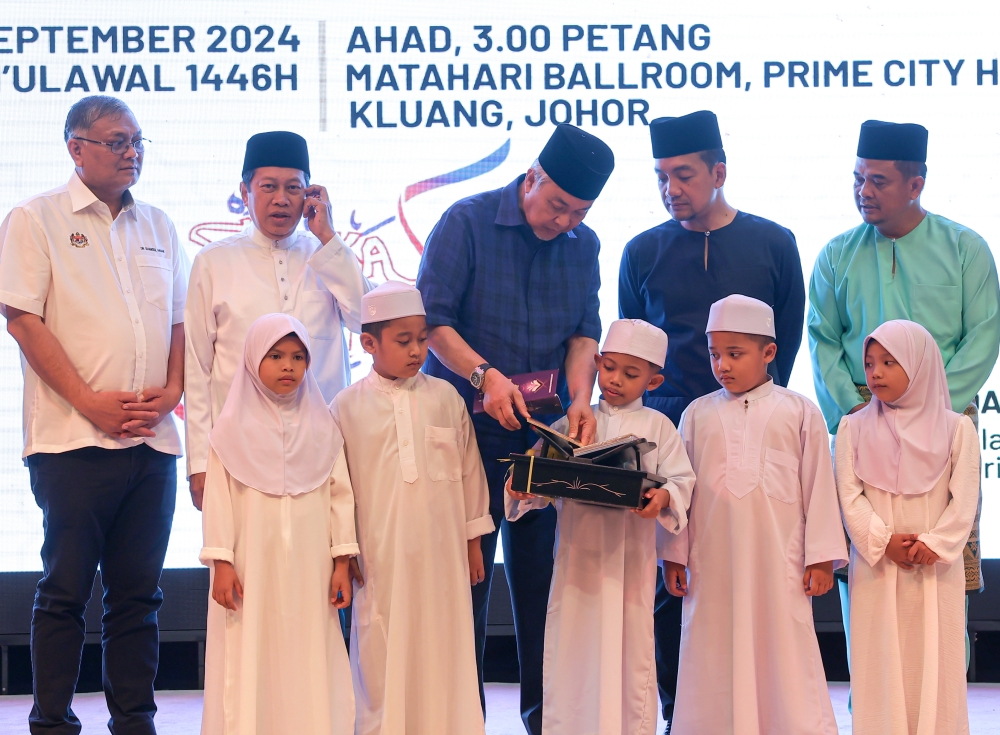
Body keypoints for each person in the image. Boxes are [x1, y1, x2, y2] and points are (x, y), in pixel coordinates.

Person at [415, 123, 614, 734]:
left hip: (542, 439)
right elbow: (433, 322)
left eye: (577, 213)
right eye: (556, 206)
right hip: (466, 434)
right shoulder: (466, 222)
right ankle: (460, 720)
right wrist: (485, 377)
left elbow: (584, 333)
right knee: (464, 585)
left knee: (544, 589)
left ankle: (545, 721)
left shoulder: (583, 245)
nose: (563, 222)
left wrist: (581, 396)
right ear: (531, 177)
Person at [0, 95, 188, 734]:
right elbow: (22, 318)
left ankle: (134, 720)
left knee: (140, 595)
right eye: (115, 141)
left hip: (153, 441)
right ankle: (51, 722)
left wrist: (172, 390)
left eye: (137, 141)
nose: (130, 151)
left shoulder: (159, 225)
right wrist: (88, 402)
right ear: (75, 148)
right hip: (72, 440)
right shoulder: (36, 219)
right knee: (66, 591)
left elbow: (179, 323)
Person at [618, 110, 805, 728]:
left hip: (750, 431)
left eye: (685, 174)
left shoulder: (774, 243)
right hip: (669, 439)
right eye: (662, 176)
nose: (672, 188)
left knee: (753, 575)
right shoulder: (641, 251)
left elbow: (788, 335)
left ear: (718, 172)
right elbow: (634, 349)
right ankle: (683, 714)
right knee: (672, 582)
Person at [809, 119, 999, 675]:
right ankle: (870, 705)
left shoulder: (965, 249)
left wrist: (931, 408)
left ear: (915, 185)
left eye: (879, 181)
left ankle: (943, 705)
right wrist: (856, 410)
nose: (864, 192)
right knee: (867, 569)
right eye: (858, 179)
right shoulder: (837, 255)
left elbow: (983, 335)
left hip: (945, 429)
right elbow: (822, 340)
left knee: (940, 569)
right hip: (861, 424)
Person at [660, 295, 847, 735]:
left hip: (779, 563)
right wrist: (674, 553)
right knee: (711, 649)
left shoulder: (800, 411)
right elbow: (679, 490)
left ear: (769, 353)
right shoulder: (696, 415)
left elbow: (819, 487)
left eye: (735, 354)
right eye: (714, 354)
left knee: (783, 650)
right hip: (712, 564)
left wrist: (820, 558)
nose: (722, 365)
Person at [505, 319, 696, 735]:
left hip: (629, 565)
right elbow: (540, 478)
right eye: (609, 368)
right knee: (573, 650)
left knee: (628, 654)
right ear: (596, 363)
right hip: (576, 565)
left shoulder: (660, 427)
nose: (615, 380)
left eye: (631, 374)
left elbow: (681, 482)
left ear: (654, 379)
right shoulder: (575, 420)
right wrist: (522, 489)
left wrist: (661, 498)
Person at [331, 281, 494, 735]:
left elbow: (469, 473)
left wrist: (474, 541)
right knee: (381, 659)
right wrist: (343, 555)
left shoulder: (446, 397)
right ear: (368, 343)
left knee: (445, 651)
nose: (417, 350)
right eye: (403, 341)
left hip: (442, 559)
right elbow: (337, 490)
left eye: (422, 339)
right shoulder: (345, 407)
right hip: (380, 562)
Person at [185, 130, 371, 510]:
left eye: (294, 187)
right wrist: (199, 463)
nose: (281, 199)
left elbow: (366, 322)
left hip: (324, 451)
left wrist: (328, 238)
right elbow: (197, 368)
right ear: (245, 191)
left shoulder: (326, 254)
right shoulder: (213, 261)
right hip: (239, 453)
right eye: (268, 186)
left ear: (310, 194)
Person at [199, 314, 357, 735]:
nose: (288, 366)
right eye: (275, 355)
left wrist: (342, 561)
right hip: (250, 570)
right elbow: (218, 502)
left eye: (298, 356)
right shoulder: (229, 430)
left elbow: (340, 496)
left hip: (311, 571)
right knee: (251, 653)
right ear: (253, 359)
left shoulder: (323, 427)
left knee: (309, 653)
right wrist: (222, 562)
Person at [836, 320, 979, 735]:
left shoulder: (957, 428)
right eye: (869, 363)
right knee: (880, 660)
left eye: (888, 362)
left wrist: (935, 543)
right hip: (878, 566)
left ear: (920, 365)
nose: (875, 372)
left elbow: (964, 499)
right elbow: (849, 497)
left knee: (935, 660)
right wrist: (883, 542)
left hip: (936, 570)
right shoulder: (852, 428)